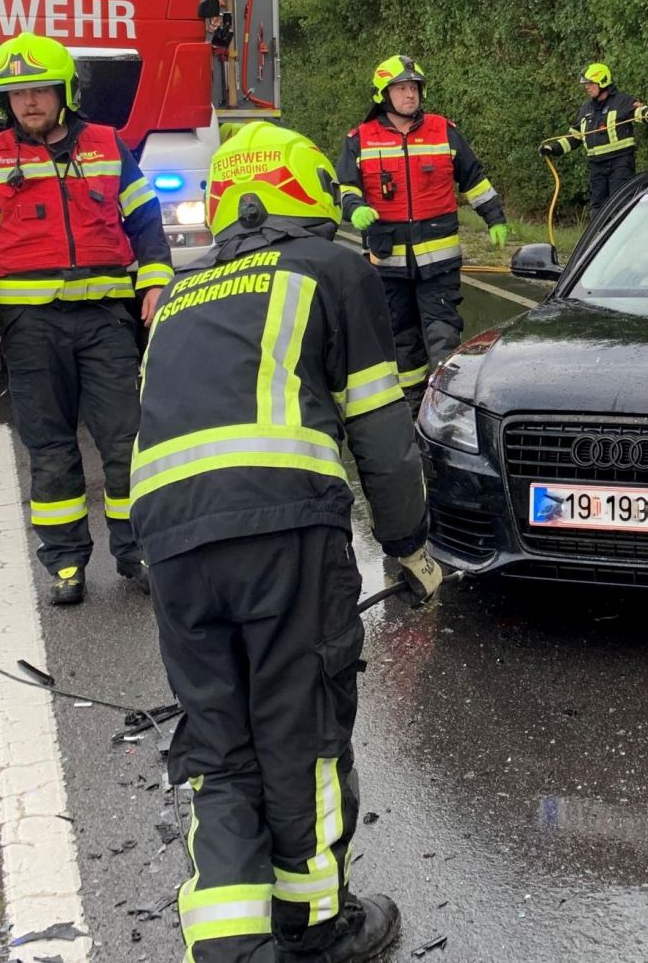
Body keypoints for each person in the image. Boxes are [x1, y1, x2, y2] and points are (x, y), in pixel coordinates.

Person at [132, 121, 439, 963]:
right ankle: (313, 929)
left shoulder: (180, 297)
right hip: (280, 528)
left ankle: (229, 945)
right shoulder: (333, 268)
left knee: (218, 739)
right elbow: (380, 431)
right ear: (307, 192)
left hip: (170, 538)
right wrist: (411, 546)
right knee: (299, 727)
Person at [0, 33, 174, 606]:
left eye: (40, 90)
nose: (29, 102)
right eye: (16, 93)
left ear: (65, 92)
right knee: (49, 450)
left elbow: (147, 225)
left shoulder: (107, 145)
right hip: (31, 327)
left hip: (105, 320)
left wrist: (155, 282)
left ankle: (138, 551)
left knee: (127, 441)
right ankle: (66, 564)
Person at [339, 55, 508, 403]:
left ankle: (446, 402)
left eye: (414, 88)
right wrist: (354, 209)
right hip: (387, 261)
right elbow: (344, 187)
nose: (410, 95)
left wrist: (495, 218)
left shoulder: (443, 130)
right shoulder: (360, 139)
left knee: (443, 332)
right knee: (401, 337)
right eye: (402, 88)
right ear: (383, 95)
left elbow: (473, 179)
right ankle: (413, 405)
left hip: (438, 261)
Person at [539, 63, 648, 214]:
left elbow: (639, 111)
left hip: (620, 163)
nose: (587, 87)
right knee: (598, 211)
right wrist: (553, 148)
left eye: (590, 84)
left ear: (602, 82)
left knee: (620, 206)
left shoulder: (622, 101)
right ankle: (600, 237)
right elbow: (575, 137)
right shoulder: (586, 109)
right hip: (597, 167)